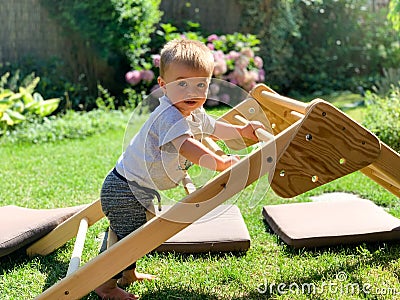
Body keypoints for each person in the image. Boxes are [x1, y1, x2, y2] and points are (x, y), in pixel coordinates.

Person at [95, 38, 265, 299]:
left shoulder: (194, 112)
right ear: (163, 86)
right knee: (127, 239)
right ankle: (105, 286)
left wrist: (242, 131)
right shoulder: (169, 116)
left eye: (201, 84)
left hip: (138, 187)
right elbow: (187, 146)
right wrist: (218, 162)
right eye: (182, 83)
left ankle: (128, 274)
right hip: (124, 190)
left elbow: (215, 127)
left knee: (132, 234)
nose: (192, 92)